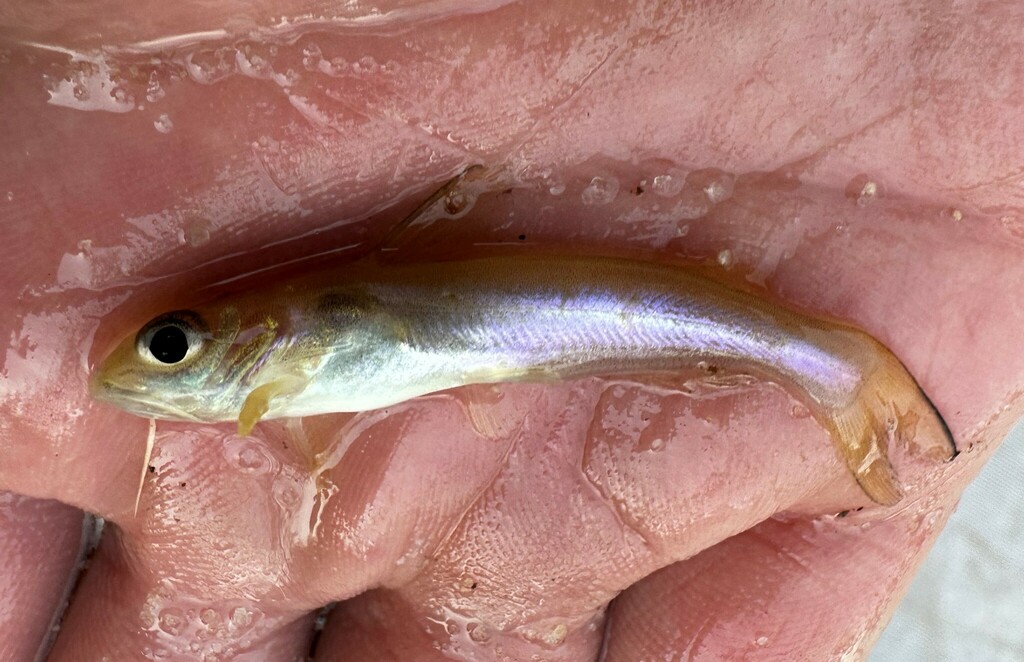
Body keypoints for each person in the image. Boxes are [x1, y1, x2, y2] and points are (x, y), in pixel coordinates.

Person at [1, 3, 1021, 659]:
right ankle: (824, 368)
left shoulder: (286, 350)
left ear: (251, 333)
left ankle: (829, 365)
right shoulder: (281, 367)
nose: (147, 367)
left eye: (172, 345)